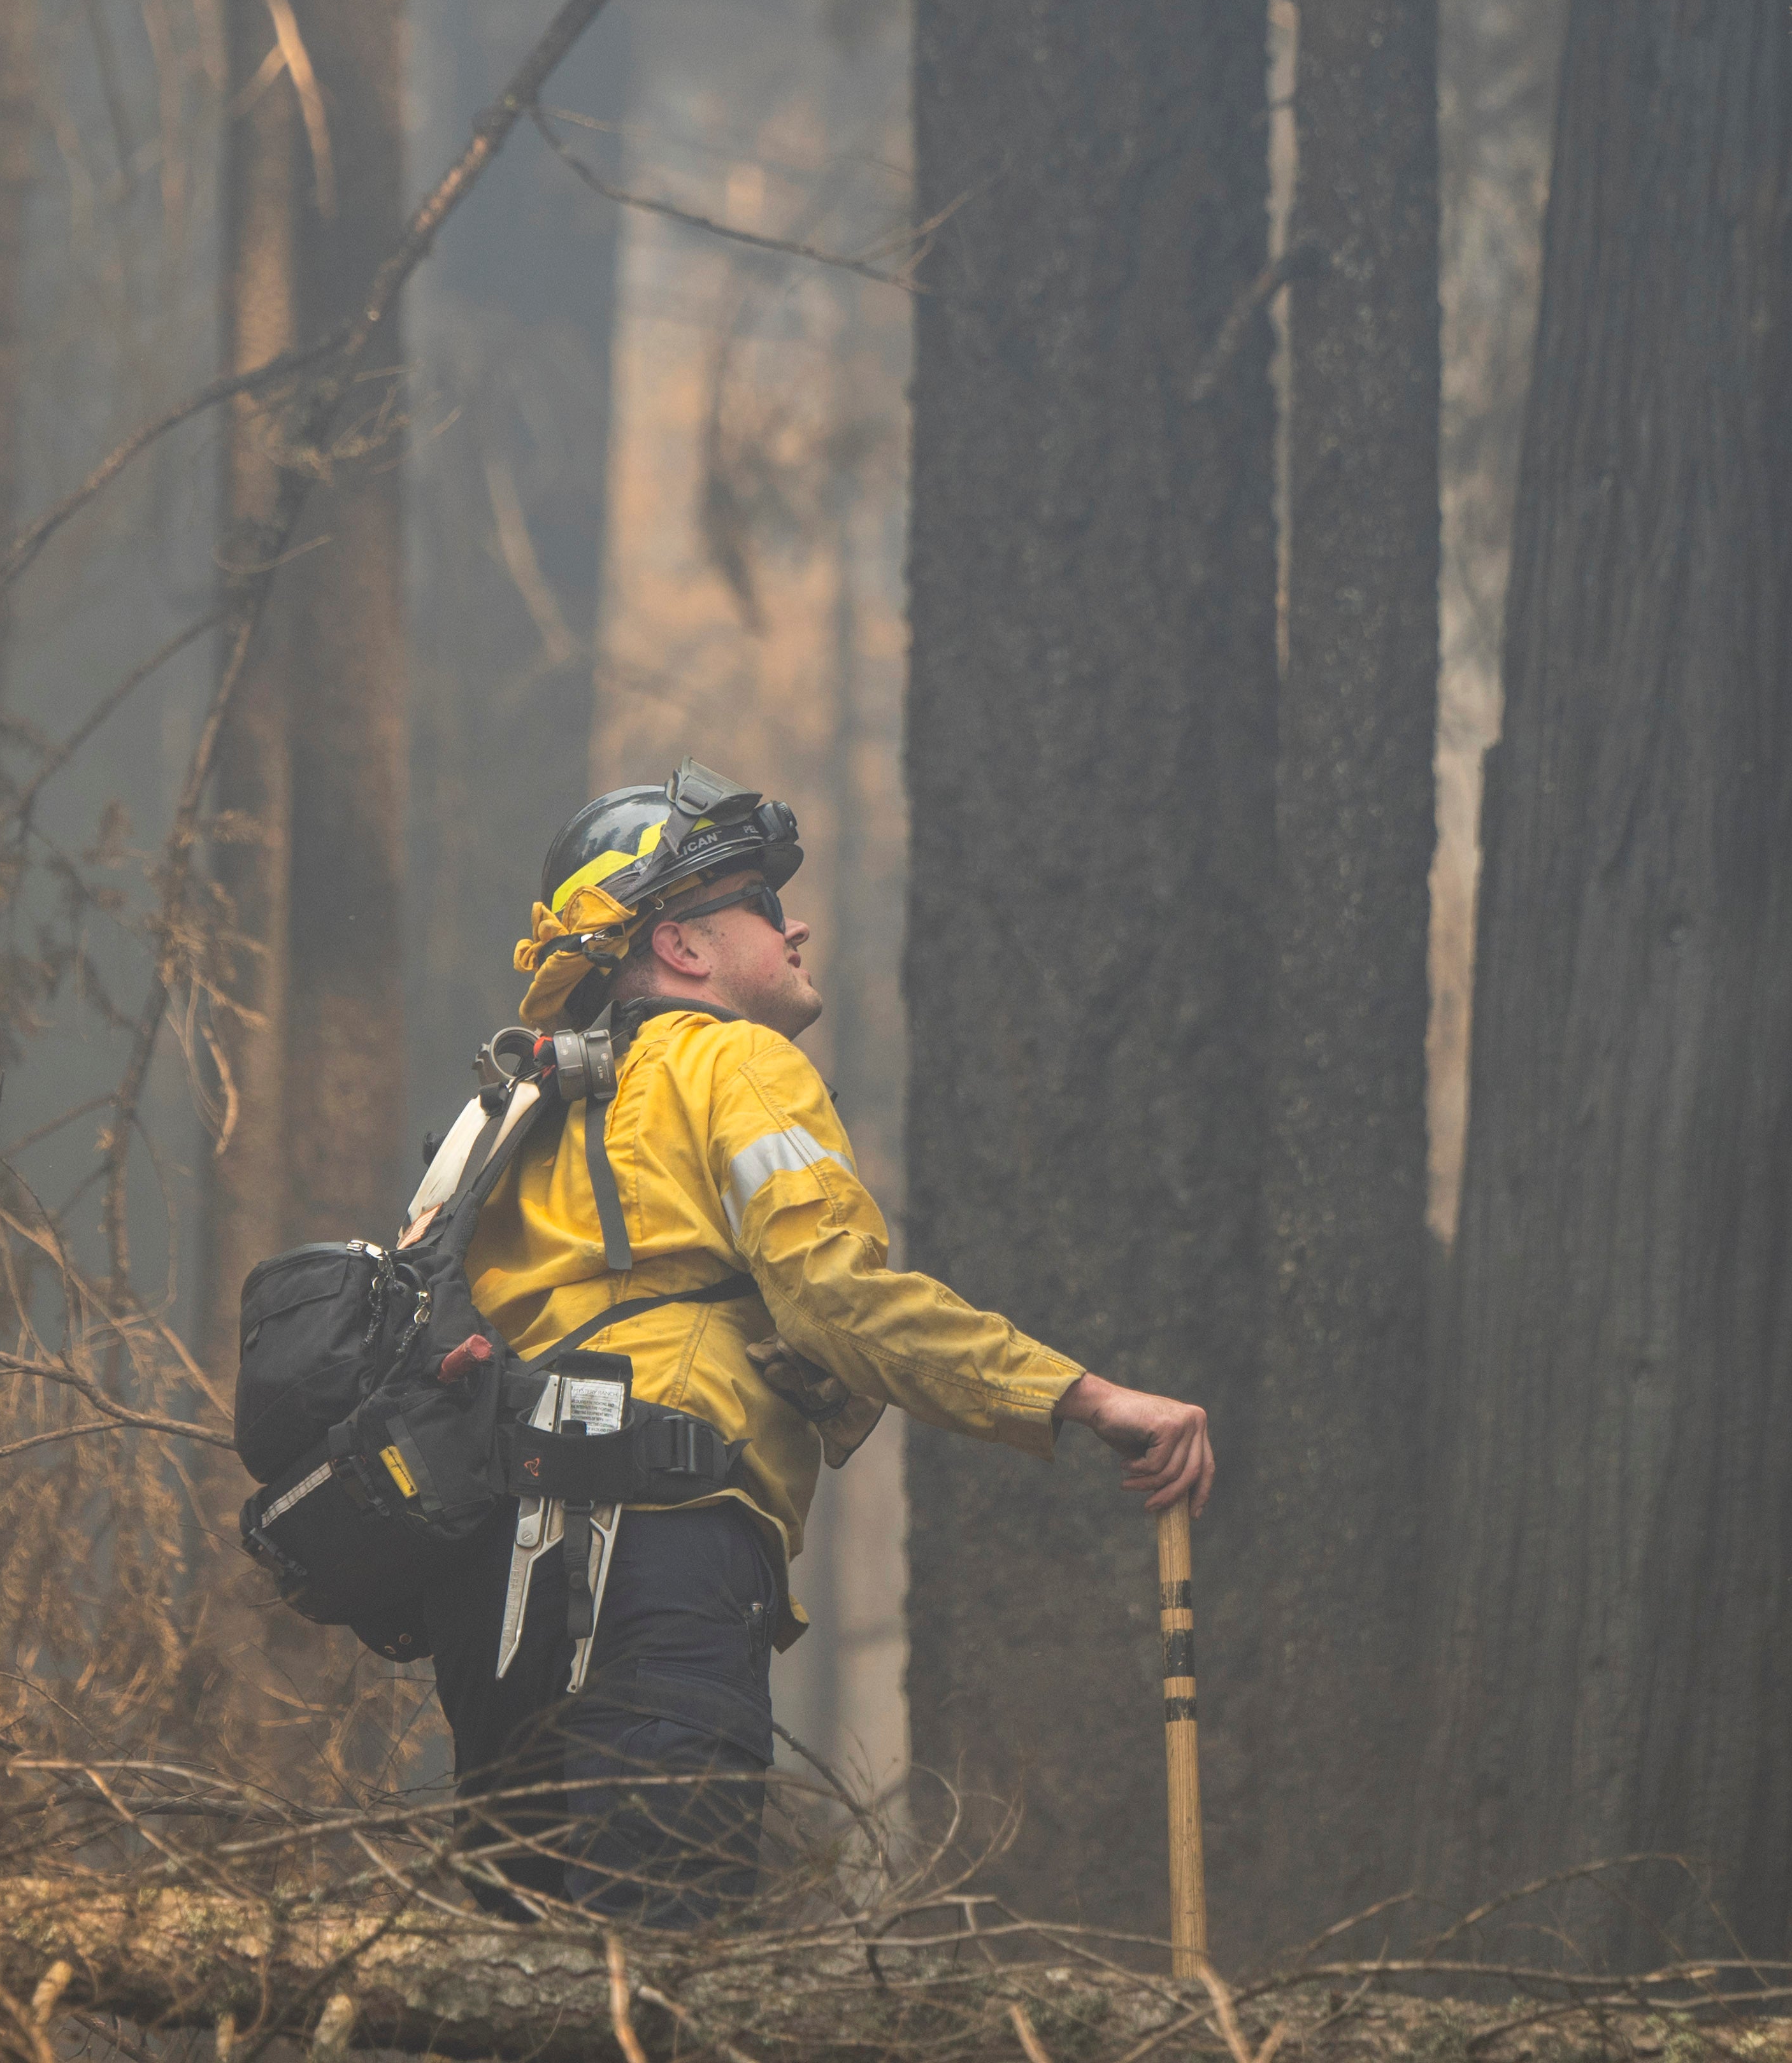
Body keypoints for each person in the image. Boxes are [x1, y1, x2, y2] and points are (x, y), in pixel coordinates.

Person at [406, 761, 1213, 1925]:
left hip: (492, 1599)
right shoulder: (732, 1061)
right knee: (658, 1968)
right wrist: (1082, 1397)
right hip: (662, 1562)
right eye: (759, 902)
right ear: (681, 948)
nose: (796, 926)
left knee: (519, 1986)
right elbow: (838, 1297)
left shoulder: (508, 1117)